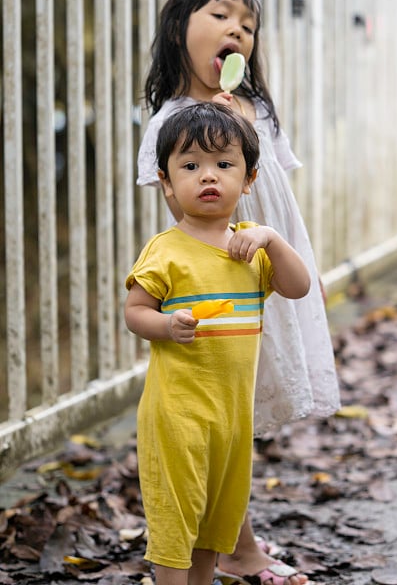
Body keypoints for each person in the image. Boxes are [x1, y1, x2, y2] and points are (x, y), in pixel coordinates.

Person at [137, 0, 340, 585]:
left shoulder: (259, 110)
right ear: (180, 30)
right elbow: (186, 211)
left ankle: (232, 542)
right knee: (225, 402)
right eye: (221, 16)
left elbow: (281, 197)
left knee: (243, 407)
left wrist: (299, 261)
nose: (236, 31)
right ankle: (236, 547)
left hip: (274, 267)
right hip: (223, 279)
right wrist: (212, 138)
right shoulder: (171, 122)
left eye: (246, 26)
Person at [125, 102, 311, 585]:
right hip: (178, 415)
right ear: (167, 182)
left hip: (231, 419)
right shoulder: (166, 250)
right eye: (190, 167)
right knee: (177, 518)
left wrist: (271, 237)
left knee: (215, 519)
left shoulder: (250, 246)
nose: (208, 176)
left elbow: (298, 287)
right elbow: (135, 312)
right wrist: (165, 326)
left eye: (223, 165)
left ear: (248, 179)